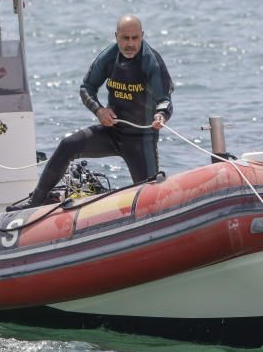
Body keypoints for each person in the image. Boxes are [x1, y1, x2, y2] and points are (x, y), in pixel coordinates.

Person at [10, 15, 173, 210]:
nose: (130, 44)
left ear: (142, 36)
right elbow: (86, 87)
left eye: (135, 38)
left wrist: (161, 115)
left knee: (150, 199)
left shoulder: (150, 61)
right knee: (68, 145)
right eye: (125, 38)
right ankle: (35, 203)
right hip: (112, 132)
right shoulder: (110, 56)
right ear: (116, 36)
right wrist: (99, 111)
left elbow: (165, 100)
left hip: (141, 140)